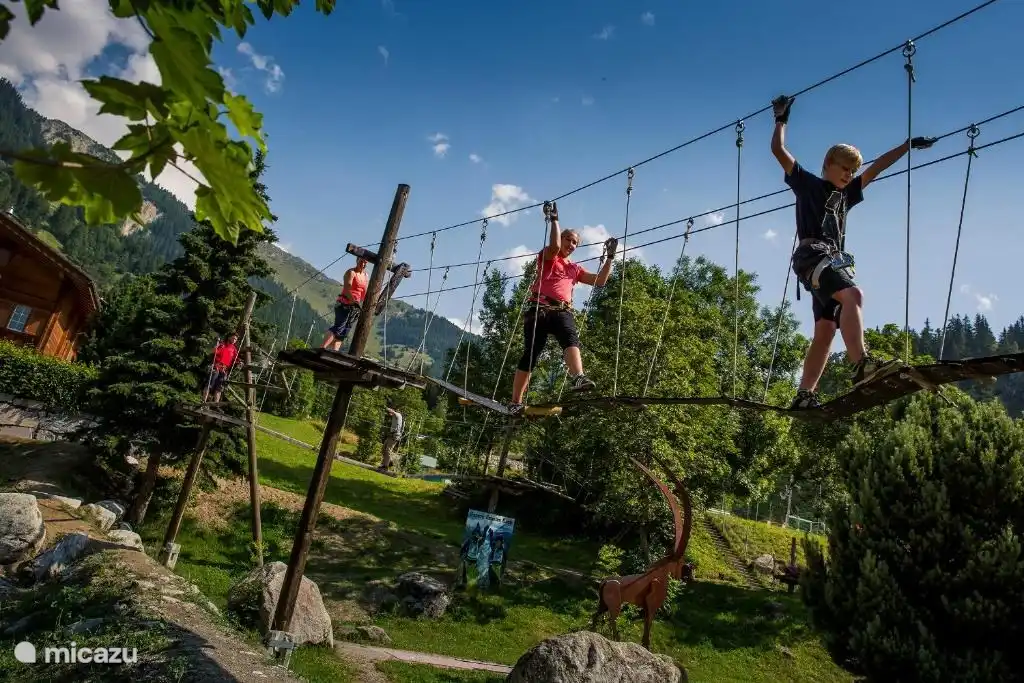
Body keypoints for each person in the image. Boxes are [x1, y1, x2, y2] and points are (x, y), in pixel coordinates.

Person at [770, 94, 937, 409]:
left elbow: (877, 169)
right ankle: (861, 363)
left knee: (825, 330)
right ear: (828, 165)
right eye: (844, 168)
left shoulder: (848, 195)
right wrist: (781, 118)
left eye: (852, 170)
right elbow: (779, 150)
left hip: (826, 262)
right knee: (853, 296)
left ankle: (804, 395)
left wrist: (906, 146)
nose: (848, 174)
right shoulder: (808, 184)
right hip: (813, 256)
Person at [508, 202, 615, 417]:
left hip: (561, 311)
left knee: (570, 339)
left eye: (575, 243)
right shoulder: (548, 257)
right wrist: (555, 221)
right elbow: (555, 246)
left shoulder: (574, 269)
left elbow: (600, 281)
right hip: (539, 308)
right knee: (531, 354)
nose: (571, 245)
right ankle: (515, 401)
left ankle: (578, 377)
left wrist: (610, 257)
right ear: (561, 238)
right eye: (569, 239)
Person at [322, 254, 369, 351]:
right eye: (361, 261)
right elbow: (347, 288)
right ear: (357, 260)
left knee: (345, 331)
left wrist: (364, 304)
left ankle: (335, 352)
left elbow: (364, 292)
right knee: (339, 327)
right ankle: (323, 348)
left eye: (365, 262)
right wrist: (353, 300)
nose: (363, 264)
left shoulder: (365, 275)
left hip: (355, 307)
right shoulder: (351, 272)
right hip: (344, 303)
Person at [203, 333, 239, 403]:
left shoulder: (234, 349)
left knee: (220, 388)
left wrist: (239, 362)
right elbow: (213, 352)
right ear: (229, 337)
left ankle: (216, 404)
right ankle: (203, 401)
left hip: (224, 369)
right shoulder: (222, 345)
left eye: (236, 339)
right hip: (216, 366)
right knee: (209, 384)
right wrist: (216, 347)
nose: (234, 340)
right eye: (233, 338)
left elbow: (236, 359)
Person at [378, 405, 403, 471]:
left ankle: (385, 466)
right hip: (391, 435)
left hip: (395, 436)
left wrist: (385, 407)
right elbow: (391, 413)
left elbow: (392, 411)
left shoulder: (398, 415)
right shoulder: (395, 416)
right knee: (383, 449)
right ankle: (390, 461)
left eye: (393, 411)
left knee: (388, 450)